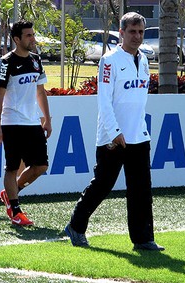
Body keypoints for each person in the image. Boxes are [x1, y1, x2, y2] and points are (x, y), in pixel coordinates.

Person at [64, 12, 164, 251]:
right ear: (121, 33)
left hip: (138, 135)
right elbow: (104, 101)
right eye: (132, 31)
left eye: (140, 32)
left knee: (141, 189)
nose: (137, 36)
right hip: (113, 136)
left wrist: (139, 129)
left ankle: (143, 239)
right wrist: (114, 131)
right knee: (103, 184)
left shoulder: (144, 59)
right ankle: (76, 226)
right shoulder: (109, 60)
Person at [0, 20, 52, 226]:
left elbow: (40, 91)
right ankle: (15, 210)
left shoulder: (36, 60)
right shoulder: (5, 63)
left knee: (41, 166)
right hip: (12, 122)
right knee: (12, 167)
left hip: (32, 122)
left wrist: (47, 119)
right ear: (17, 39)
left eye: (33, 34)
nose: (33, 38)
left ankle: (11, 192)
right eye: (28, 35)